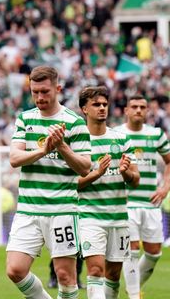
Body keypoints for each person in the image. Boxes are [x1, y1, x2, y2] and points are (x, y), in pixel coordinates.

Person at [5, 66, 92, 299]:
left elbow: (85, 167)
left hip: (62, 208)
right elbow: (14, 159)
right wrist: (44, 150)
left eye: (45, 92)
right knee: (15, 270)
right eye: (35, 92)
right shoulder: (25, 119)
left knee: (65, 277)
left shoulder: (74, 123)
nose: (40, 98)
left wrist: (62, 147)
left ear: (58, 88)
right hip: (28, 208)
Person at [77, 86, 139, 299]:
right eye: (96, 104)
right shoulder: (78, 142)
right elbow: (71, 184)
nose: (102, 108)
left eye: (104, 104)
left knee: (113, 275)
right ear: (85, 108)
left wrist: (126, 174)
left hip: (118, 217)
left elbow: (136, 180)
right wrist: (97, 173)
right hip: (90, 218)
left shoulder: (121, 140)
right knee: (95, 270)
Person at [115, 95, 170, 298]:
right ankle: (134, 295)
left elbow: (169, 161)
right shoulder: (117, 134)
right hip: (126, 203)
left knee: (154, 252)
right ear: (127, 111)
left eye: (142, 107)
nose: (138, 110)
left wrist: (165, 188)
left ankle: (134, 286)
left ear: (147, 111)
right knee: (132, 248)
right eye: (134, 107)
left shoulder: (156, 134)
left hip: (151, 202)